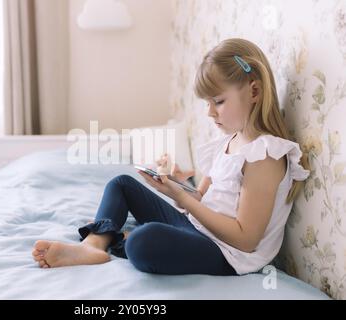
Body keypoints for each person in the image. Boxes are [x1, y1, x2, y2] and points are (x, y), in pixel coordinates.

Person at [32, 38, 310, 275]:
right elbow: (203, 201)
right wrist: (175, 186)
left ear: (254, 91)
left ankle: (121, 239)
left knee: (143, 241)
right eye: (207, 103)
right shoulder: (229, 142)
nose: (210, 113)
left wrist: (182, 198)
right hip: (197, 229)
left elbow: (246, 239)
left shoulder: (265, 155)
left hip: (227, 254)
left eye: (218, 102)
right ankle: (92, 246)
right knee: (121, 184)